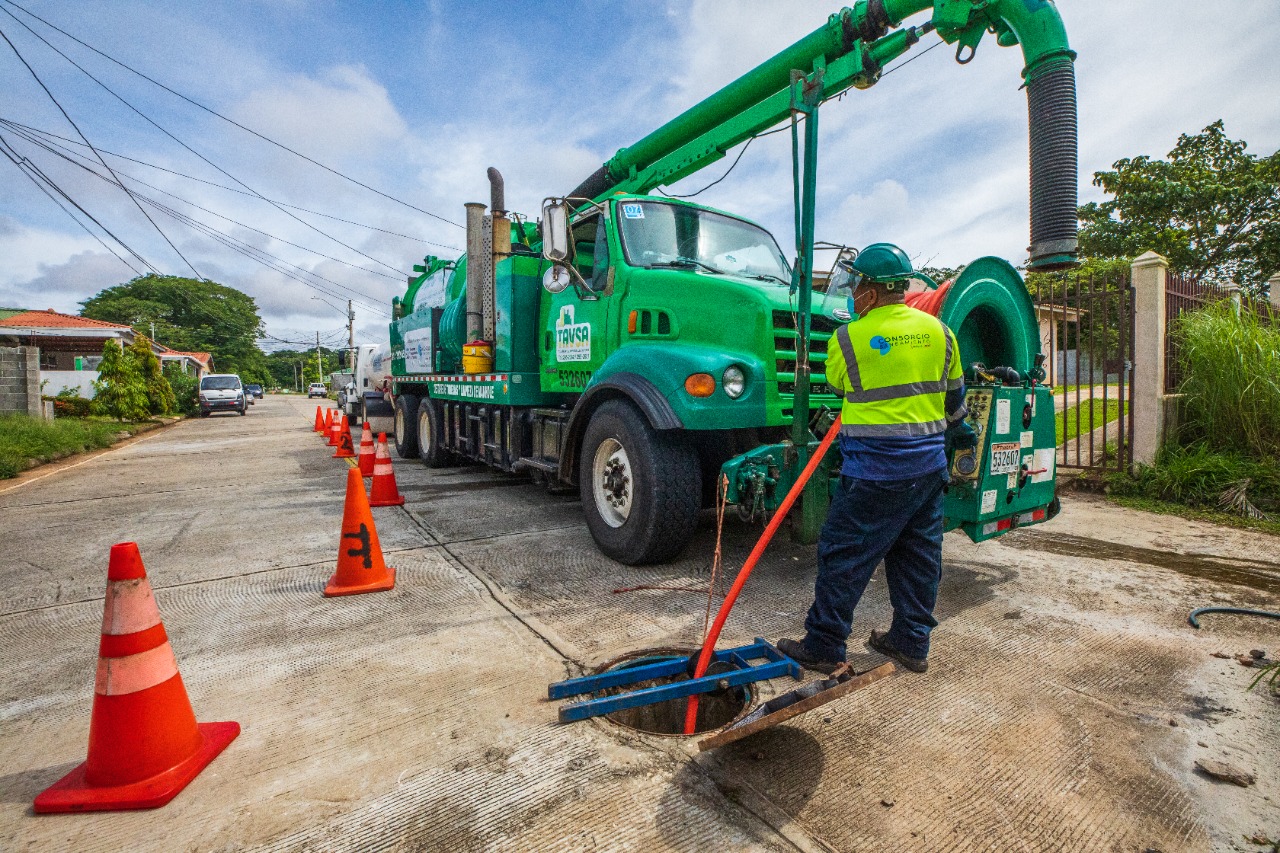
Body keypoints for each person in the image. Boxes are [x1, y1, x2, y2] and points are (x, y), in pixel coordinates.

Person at [779, 243, 976, 674]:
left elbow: (837, 385)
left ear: (869, 290)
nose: (854, 291)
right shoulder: (941, 333)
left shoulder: (848, 337)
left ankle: (825, 644)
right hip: (928, 471)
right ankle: (911, 642)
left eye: (857, 283)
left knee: (843, 555)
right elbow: (955, 400)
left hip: (874, 471)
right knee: (918, 557)